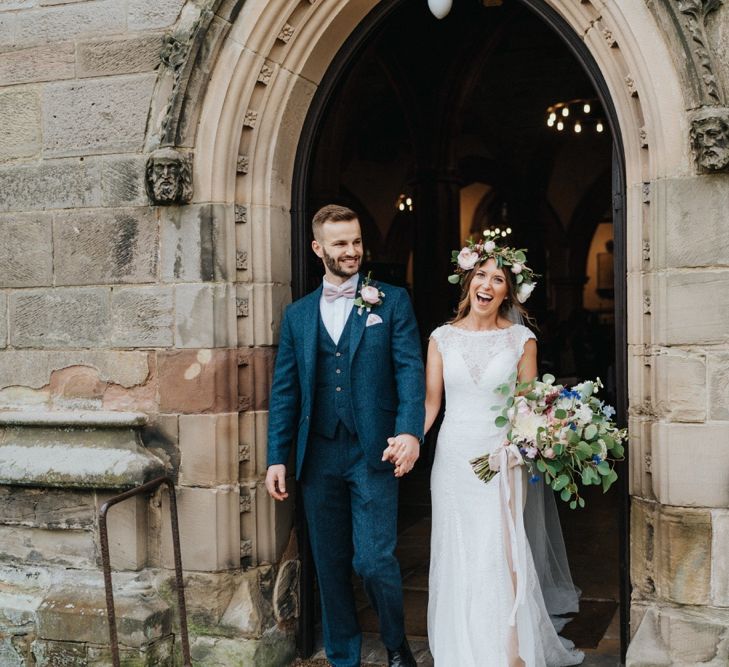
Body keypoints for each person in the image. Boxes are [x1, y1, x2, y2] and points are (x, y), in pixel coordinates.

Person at [265, 204, 425, 667]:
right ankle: (342, 656)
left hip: (373, 449)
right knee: (330, 563)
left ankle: (396, 643)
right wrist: (278, 456)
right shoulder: (297, 316)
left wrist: (409, 432)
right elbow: (285, 391)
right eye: (340, 243)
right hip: (318, 456)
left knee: (374, 560)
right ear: (319, 249)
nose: (351, 250)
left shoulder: (391, 301)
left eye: (356, 241)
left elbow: (410, 372)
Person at [419, 241, 584, 666]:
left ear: (509, 293)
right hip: (454, 459)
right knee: (457, 549)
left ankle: (510, 652)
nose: (488, 284)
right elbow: (431, 404)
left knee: (501, 549)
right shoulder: (441, 338)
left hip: (501, 460)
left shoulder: (521, 340)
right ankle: (461, 648)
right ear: (468, 281)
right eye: (481, 275)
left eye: (499, 279)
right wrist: (409, 440)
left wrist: (519, 445)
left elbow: (527, 405)